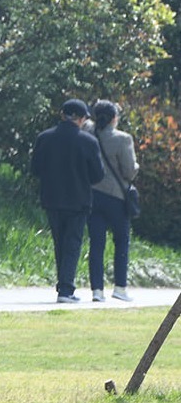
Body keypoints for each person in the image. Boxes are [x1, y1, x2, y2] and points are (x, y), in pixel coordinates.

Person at [30, 98, 106, 304]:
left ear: (62, 115)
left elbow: (35, 169)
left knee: (59, 242)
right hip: (78, 199)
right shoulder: (88, 142)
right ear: (81, 119)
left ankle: (63, 285)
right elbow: (98, 175)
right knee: (72, 243)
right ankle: (65, 289)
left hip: (52, 197)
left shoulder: (44, 138)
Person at [88, 99, 139, 303]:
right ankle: (119, 286)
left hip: (92, 194)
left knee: (96, 244)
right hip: (116, 196)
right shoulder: (123, 139)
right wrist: (137, 166)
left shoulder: (89, 134)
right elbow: (129, 171)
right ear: (114, 118)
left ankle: (97, 291)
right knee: (121, 243)